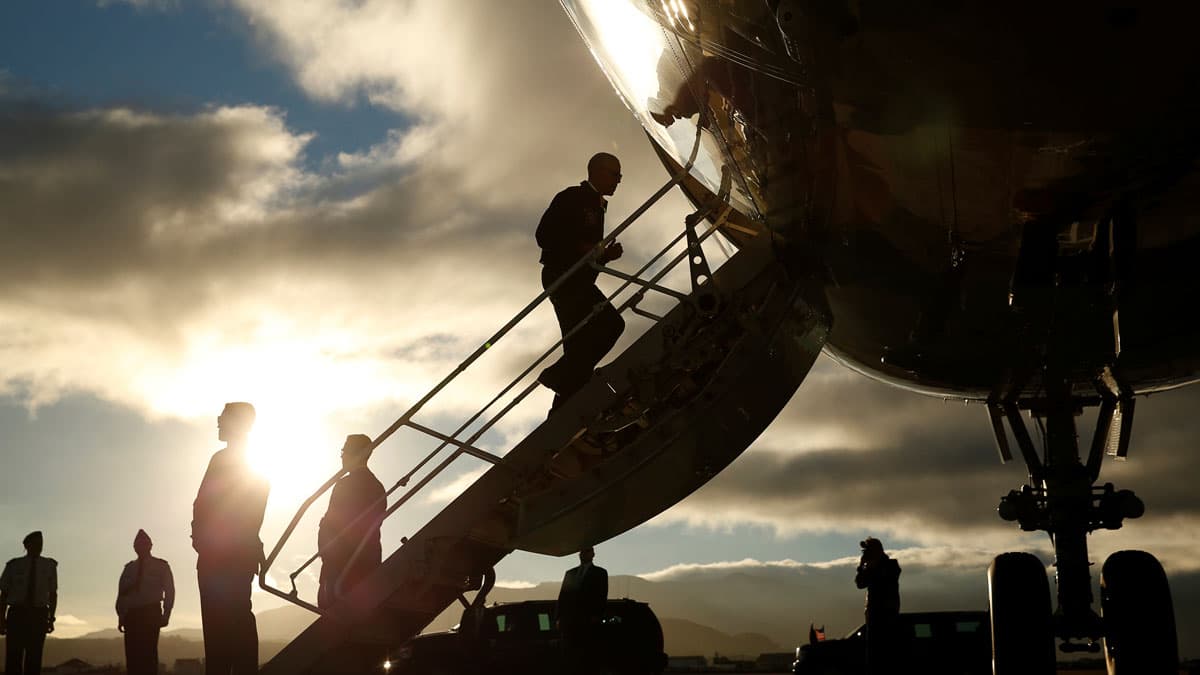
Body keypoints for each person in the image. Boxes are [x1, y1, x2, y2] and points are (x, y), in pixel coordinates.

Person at [536, 152, 627, 411]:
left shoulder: (595, 206)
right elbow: (544, 235)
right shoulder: (573, 198)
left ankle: (560, 409)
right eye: (615, 174)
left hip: (576, 279)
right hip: (564, 279)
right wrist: (588, 249)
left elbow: (584, 252)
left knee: (580, 348)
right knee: (610, 325)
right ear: (597, 171)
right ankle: (557, 377)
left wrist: (603, 256)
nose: (618, 181)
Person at [192, 401, 270, 675]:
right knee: (230, 624)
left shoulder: (232, 461)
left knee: (226, 626)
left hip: (224, 556)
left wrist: (204, 538)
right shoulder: (243, 461)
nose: (218, 422)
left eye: (222, 417)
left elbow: (208, 504)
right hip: (227, 554)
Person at [317, 434, 386, 609]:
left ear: (353, 453)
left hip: (340, 568)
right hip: (368, 566)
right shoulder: (378, 487)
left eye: (343, 450)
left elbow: (331, 525)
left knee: (332, 622)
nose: (341, 456)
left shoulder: (345, 485)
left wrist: (326, 553)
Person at [116, 529, 175, 675]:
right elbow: (121, 594)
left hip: (151, 613)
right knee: (133, 659)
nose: (140, 546)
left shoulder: (161, 566)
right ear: (134, 547)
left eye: (143, 544)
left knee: (148, 657)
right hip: (132, 615)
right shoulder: (129, 568)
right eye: (137, 544)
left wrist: (166, 614)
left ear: (150, 545)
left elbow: (170, 591)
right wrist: (121, 616)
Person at [0, 531, 57, 675]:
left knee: (34, 659)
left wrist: (51, 618)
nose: (39, 547)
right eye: (35, 544)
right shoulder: (14, 565)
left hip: (38, 614)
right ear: (26, 545)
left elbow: (53, 594)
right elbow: (4, 594)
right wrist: (1, 618)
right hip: (17, 614)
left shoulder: (49, 565)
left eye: (41, 544)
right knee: (13, 659)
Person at [556, 546, 608, 675]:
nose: (582, 555)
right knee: (570, 657)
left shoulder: (600, 573)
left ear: (592, 554)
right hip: (570, 622)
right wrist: (558, 617)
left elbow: (602, 595)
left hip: (588, 622)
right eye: (581, 552)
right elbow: (562, 596)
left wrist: (597, 615)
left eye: (586, 552)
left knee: (586, 658)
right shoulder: (570, 573)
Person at [854, 537, 901, 673]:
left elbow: (881, 577)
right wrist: (862, 566)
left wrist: (870, 565)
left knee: (884, 655)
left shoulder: (890, 566)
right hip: (874, 615)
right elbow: (860, 584)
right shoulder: (872, 567)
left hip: (886, 614)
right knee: (873, 655)